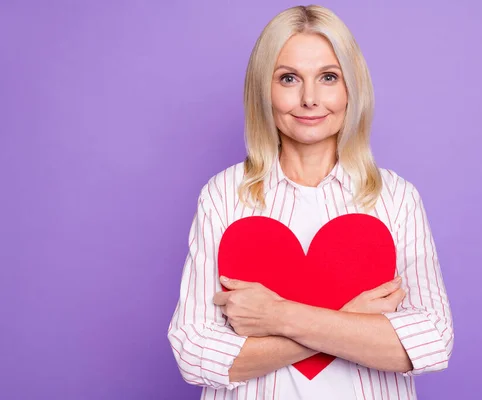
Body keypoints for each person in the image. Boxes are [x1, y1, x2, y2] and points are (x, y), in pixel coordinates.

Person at [167, 5, 453, 399]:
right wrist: (351, 322)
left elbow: (432, 341)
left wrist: (278, 316)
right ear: (263, 90)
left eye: (328, 77)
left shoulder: (397, 198)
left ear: (351, 86)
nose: (309, 99)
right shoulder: (223, 195)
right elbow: (194, 352)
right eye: (288, 78)